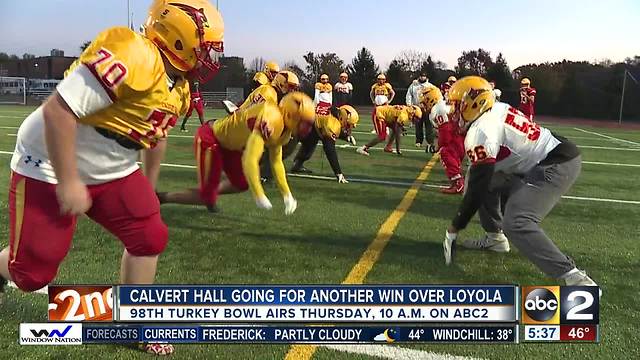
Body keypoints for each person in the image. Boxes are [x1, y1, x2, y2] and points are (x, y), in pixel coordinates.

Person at [0, 0, 224, 355]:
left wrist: (148, 186)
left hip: (111, 163)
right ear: (180, 36)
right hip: (51, 158)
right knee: (32, 275)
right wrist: (70, 180)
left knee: (149, 235)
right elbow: (59, 110)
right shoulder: (133, 52)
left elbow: (156, 136)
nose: (212, 55)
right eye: (208, 45)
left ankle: (134, 324)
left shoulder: (178, 86)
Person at [442, 76, 599, 290]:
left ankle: (575, 279)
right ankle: (495, 238)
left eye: (456, 105)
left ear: (474, 103)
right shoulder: (496, 109)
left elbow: (476, 192)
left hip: (554, 163)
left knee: (516, 221)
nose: (452, 112)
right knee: (478, 178)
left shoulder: (481, 131)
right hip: (540, 158)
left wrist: (455, 226)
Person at [157, 92, 315, 214]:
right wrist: (259, 193)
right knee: (207, 196)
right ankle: (162, 197)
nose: (306, 129)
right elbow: (250, 159)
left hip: (231, 145)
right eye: (304, 123)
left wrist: (287, 194)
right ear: (290, 115)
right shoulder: (271, 118)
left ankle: (209, 193)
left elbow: (276, 161)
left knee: (241, 184)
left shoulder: (285, 131)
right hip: (211, 138)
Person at [290, 105, 359, 183]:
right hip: (298, 121)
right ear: (342, 118)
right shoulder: (331, 124)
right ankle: (275, 164)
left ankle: (297, 165)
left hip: (308, 122)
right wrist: (338, 173)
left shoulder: (335, 112)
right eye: (348, 125)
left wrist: (346, 137)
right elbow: (330, 150)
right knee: (287, 146)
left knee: (310, 143)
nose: (349, 127)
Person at [419, 86, 465, 194]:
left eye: (424, 101)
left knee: (445, 154)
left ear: (430, 98)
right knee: (454, 161)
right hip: (458, 137)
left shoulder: (438, 109)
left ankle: (459, 184)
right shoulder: (442, 106)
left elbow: (445, 128)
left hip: (453, 139)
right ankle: (456, 183)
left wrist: (441, 145)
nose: (423, 105)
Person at [356, 105, 421, 156]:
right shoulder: (404, 116)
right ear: (412, 113)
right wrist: (398, 149)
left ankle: (388, 147)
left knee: (395, 129)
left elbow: (396, 123)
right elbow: (398, 133)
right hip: (379, 114)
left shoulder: (406, 111)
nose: (416, 120)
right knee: (382, 136)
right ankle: (363, 148)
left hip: (387, 117)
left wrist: (401, 128)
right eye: (416, 117)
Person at [406, 73, 434, 148]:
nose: (422, 77)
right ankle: (419, 141)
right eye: (421, 76)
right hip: (417, 108)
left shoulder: (430, 86)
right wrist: (409, 105)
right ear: (419, 77)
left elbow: (435, 95)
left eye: (424, 76)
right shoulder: (414, 85)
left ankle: (430, 142)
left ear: (426, 77)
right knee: (418, 126)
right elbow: (409, 95)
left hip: (427, 109)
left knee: (429, 126)